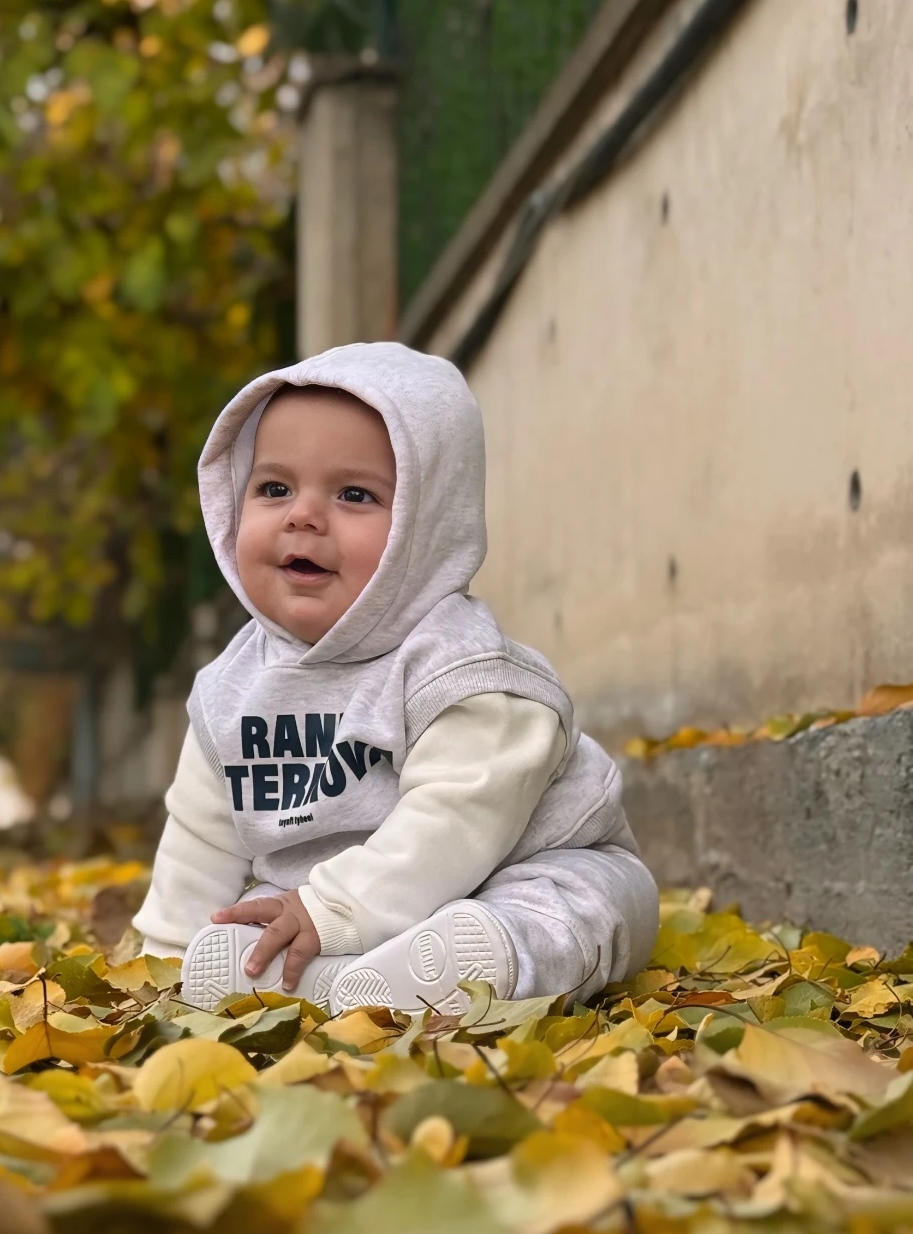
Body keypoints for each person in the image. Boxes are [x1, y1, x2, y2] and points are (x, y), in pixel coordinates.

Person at [134, 342, 658, 1016]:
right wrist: (166, 959)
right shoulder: (230, 687)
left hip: (512, 872)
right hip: (326, 916)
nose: (302, 515)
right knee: (248, 931)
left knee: (594, 903)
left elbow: (456, 821)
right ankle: (327, 980)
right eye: (274, 488)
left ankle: (477, 961)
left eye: (354, 494)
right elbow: (200, 838)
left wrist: (333, 907)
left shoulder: (461, 669)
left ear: (427, 526)